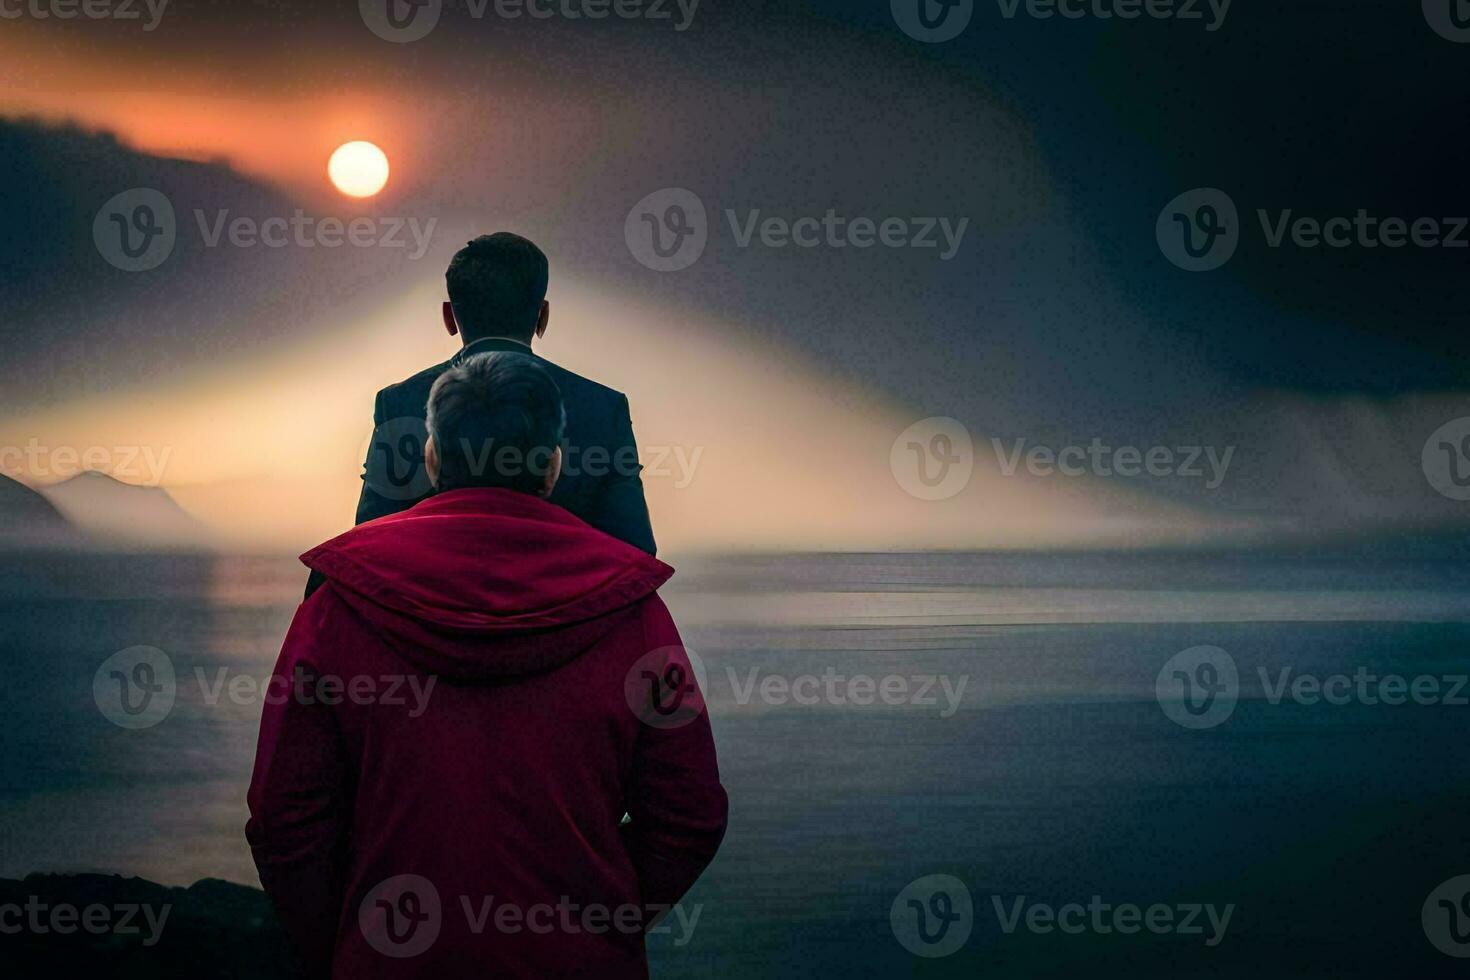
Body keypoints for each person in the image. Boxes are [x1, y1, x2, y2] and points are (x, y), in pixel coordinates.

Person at [248, 352, 727, 978]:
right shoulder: (631, 613)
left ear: (432, 458)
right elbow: (689, 815)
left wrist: (345, 944)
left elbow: (285, 821)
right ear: (552, 465)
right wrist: (602, 924)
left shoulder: (338, 605)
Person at [306, 232, 654, 598]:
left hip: (430, 627)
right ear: (543, 315)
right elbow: (637, 553)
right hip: (565, 624)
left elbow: (369, 545)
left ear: (449, 316)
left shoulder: (398, 403)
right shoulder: (605, 408)